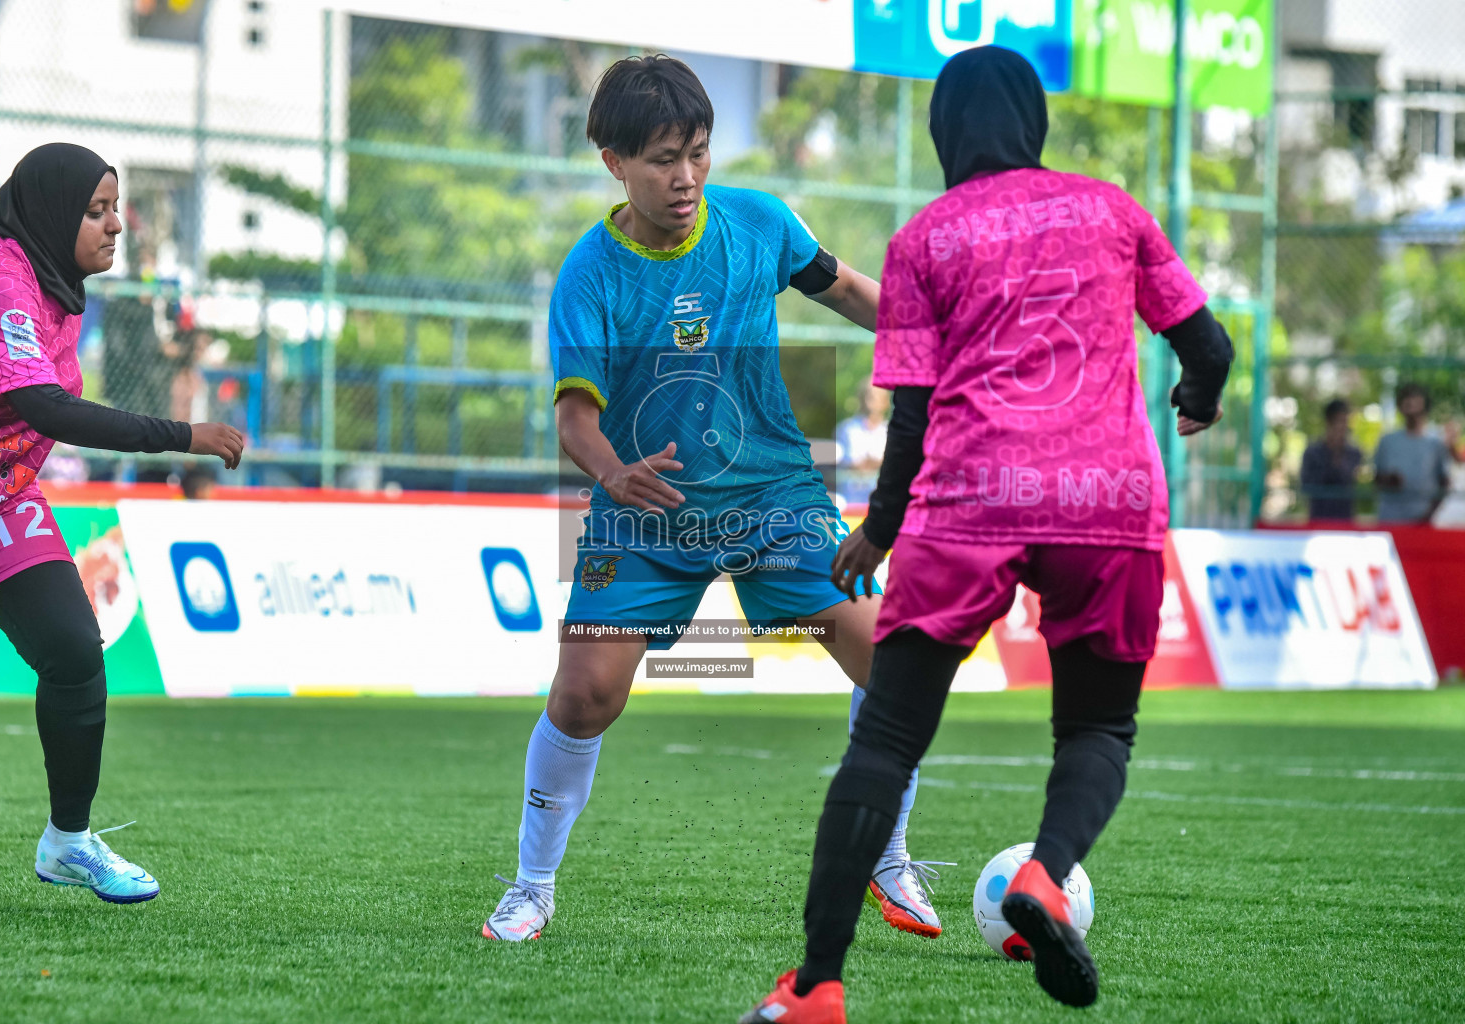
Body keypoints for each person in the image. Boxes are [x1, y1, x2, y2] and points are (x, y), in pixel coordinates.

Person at [742, 47, 1233, 1021]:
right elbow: (1207, 344)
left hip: (972, 498)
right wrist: (1198, 396)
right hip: (1109, 500)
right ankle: (1047, 875)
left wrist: (878, 530)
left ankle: (817, 985)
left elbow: (914, 410)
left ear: (941, 135)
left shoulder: (925, 238)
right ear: (1035, 125)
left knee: (886, 735)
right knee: (1098, 726)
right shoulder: (1114, 210)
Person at [482, 56, 948, 944]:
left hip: (773, 497)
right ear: (612, 159)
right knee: (584, 698)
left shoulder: (758, 222)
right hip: (645, 507)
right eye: (662, 158)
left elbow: (845, 288)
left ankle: (887, 855)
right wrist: (613, 474)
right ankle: (531, 887)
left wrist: (935, 339)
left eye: (696, 152)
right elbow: (576, 417)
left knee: (894, 665)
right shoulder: (591, 273)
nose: (686, 177)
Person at [0, 143, 245, 907]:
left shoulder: (61, 287)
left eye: (115, 210)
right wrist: (182, 436)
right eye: (96, 211)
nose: (114, 228)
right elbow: (45, 407)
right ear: (48, 211)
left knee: (74, 650)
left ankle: (67, 843)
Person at [1373, 383, 1452, 524]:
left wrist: (1429, 515)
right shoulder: (1387, 441)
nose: (1412, 409)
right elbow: (1376, 479)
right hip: (1390, 519)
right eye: (1407, 401)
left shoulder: (1436, 443)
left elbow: (1444, 483)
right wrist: (1388, 480)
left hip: (1423, 520)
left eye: (1416, 402)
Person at [1299, 399, 1362, 521]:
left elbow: (1348, 480)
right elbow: (1308, 485)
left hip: (1345, 520)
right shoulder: (1312, 452)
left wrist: (1338, 454)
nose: (1342, 427)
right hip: (1319, 519)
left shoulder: (1353, 453)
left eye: (1345, 422)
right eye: (1339, 422)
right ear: (1328, 422)